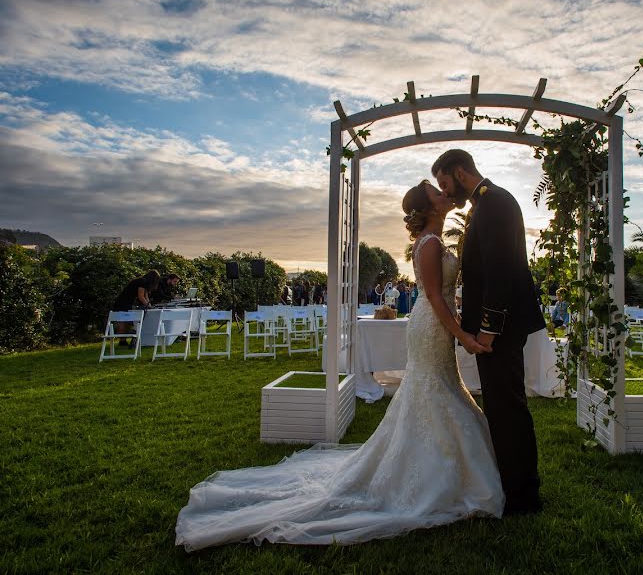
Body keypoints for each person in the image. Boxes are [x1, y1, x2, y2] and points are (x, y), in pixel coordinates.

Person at [175, 181, 496, 551]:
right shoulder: (430, 243)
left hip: (434, 324)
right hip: (432, 324)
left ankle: (442, 461)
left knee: (437, 386)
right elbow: (436, 298)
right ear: (429, 207)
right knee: (432, 386)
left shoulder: (433, 240)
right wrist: (462, 334)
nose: (444, 193)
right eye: (436, 192)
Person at [433, 148, 545, 516]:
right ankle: (513, 484)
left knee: (507, 409)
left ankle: (523, 497)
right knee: (500, 408)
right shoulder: (484, 204)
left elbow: (499, 273)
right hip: (497, 330)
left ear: (460, 171)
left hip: (501, 331)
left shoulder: (494, 203)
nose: (446, 193)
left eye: (445, 182)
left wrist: (488, 332)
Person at [112, 270, 160, 345]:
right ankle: (122, 340)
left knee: (126, 321)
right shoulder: (142, 282)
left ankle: (123, 340)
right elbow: (141, 297)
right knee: (124, 321)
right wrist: (148, 306)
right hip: (123, 303)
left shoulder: (143, 283)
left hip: (126, 302)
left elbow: (146, 297)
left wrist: (149, 305)